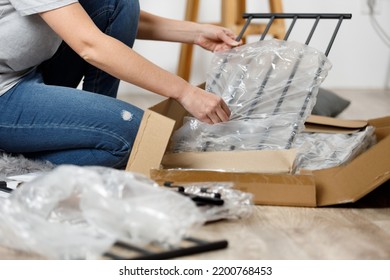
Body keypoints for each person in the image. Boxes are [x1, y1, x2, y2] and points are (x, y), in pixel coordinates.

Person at [0, 0, 241, 168]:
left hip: (26, 73)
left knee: (117, 1)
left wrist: (195, 33)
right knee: (138, 138)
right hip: (4, 94)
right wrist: (185, 91)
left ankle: (97, 126)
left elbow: (105, 11)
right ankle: (12, 162)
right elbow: (90, 44)